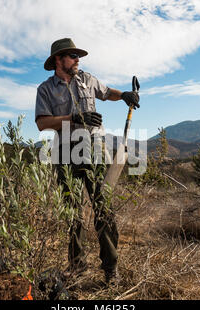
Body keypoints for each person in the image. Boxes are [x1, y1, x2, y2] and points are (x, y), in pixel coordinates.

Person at [35, 38, 140, 285]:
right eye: (72, 55)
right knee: (73, 212)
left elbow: (107, 93)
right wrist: (74, 118)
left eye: (77, 55)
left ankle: (110, 269)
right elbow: (42, 123)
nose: (77, 59)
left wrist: (124, 95)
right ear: (58, 61)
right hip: (65, 151)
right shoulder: (45, 89)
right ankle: (77, 266)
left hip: (94, 148)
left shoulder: (88, 79)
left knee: (103, 208)